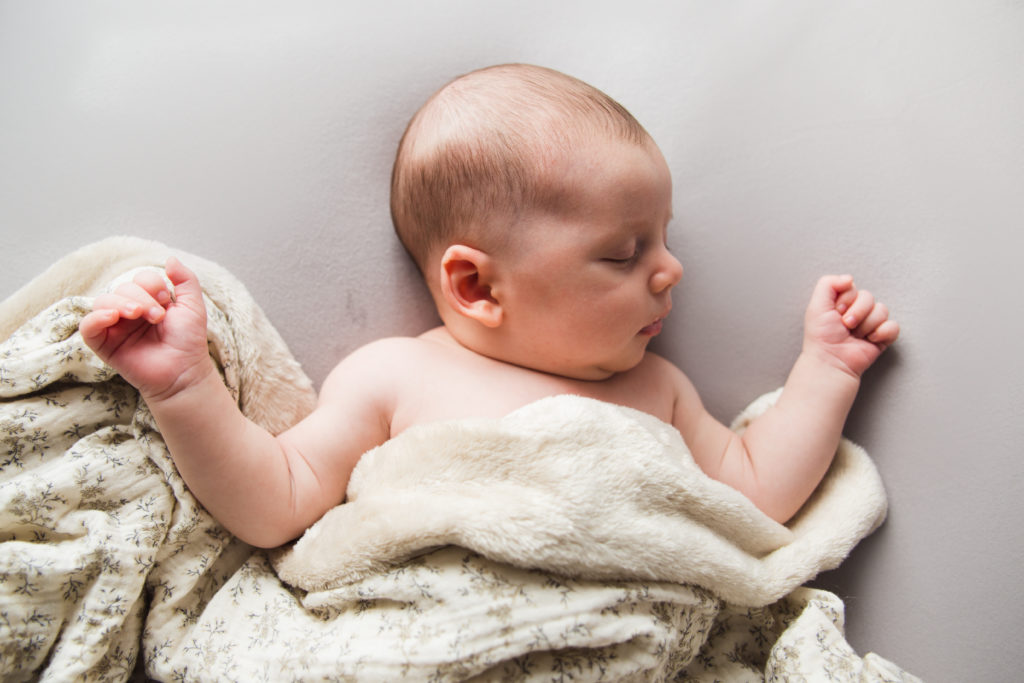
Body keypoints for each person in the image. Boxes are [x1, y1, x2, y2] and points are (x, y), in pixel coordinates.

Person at [79, 64, 899, 548]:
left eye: (662, 238)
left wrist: (826, 369)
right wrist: (184, 387)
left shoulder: (660, 390)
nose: (670, 270)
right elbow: (275, 500)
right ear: (476, 286)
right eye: (624, 251)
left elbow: (755, 495)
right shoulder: (395, 376)